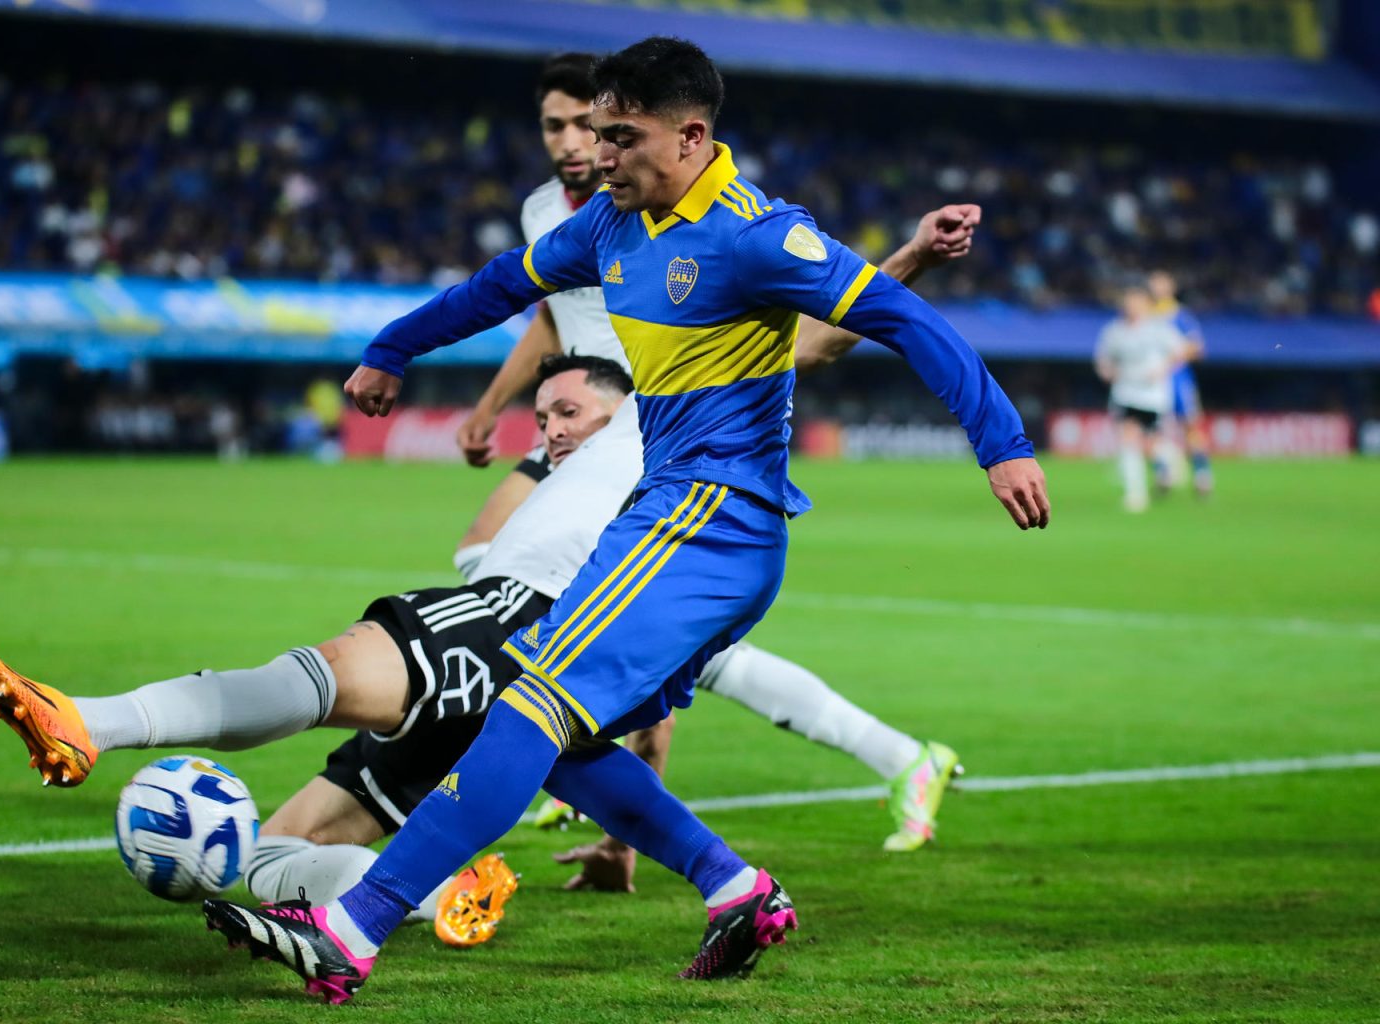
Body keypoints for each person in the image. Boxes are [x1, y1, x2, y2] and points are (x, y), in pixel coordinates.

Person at [205, 37, 1049, 1003]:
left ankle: (352, 929)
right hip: (664, 512)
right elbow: (499, 286)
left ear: (691, 136)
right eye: (595, 134)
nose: (601, 156)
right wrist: (395, 346)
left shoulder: (757, 236)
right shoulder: (612, 225)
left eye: (622, 136)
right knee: (557, 737)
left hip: (713, 518)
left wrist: (1002, 442)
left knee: (525, 709)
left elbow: (903, 318)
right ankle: (737, 889)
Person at [456, 52, 976, 859]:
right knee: (501, 571)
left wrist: (905, 261)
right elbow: (548, 319)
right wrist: (491, 408)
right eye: (555, 125)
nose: (572, 141)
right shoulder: (554, 216)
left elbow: (809, 338)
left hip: (644, 431)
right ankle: (898, 757)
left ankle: (592, 792)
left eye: (586, 124)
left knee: (544, 599)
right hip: (573, 425)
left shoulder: (712, 221)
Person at [1095, 284, 1188, 513]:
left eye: (1136, 302)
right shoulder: (1115, 331)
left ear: (1146, 304)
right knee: (1129, 438)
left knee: (1149, 445)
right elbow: (1103, 359)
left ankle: (1170, 456)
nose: (1131, 306)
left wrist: (1163, 369)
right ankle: (1136, 495)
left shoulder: (1158, 329)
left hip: (1152, 395)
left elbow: (1182, 350)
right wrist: (1107, 371)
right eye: (1128, 301)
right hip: (1125, 392)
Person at [1147, 270, 1213, 497]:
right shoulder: (1146, 315)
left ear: (1171, 287)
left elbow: (1198, 347)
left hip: (1178, 379)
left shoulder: (1179, 315)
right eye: (1154, 283)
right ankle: (1163, 474)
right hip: (1153, 381)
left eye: (1161, 283)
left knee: (1190, 426)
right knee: (1154, 429)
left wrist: (1173, 359)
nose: (1156, 288)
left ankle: (1202, 475)